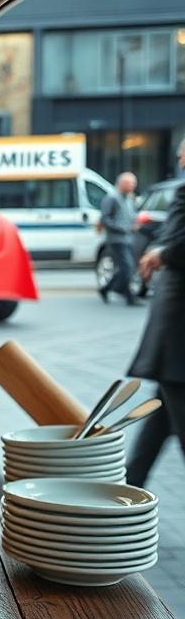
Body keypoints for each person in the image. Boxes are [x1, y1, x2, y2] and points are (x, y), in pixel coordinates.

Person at [126, 139, 185, 487]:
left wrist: (162, 252)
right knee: (161, 413)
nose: (178, 156)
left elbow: (176, 241)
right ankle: (125, 494)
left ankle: (124, 496)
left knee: (166, 414)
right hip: (175, 335)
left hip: (176, 330)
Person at [98, 171, 139, 306]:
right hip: (116, 239)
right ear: (121, 183)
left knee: (124, 268)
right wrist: (122, 228)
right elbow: (105, 219)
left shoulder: (130, 198)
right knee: (127, 267)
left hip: (128, 238)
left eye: (133, 183)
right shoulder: (112, 198)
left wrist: (135, 224)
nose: (131, 186)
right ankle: (129, 296)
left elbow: (131, 216)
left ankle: (107, 289)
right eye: (129, 183)